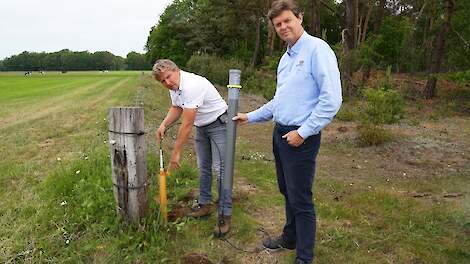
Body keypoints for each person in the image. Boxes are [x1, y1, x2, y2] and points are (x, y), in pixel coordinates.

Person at [233, 0, 342, 263]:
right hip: (280, 134)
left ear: (299, 18)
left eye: (287, 21)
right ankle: (290, 238)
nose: (283, 27)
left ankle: (304, 257)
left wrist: (303, 132)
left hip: (300, 139)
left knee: (301, 200)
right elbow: (279, 101)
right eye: (278, 24)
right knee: (286, 191)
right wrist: (251, 116)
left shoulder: (317, 49)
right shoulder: (285, 58)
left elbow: (332, 99)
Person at [153, 59, 232, 237]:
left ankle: (225, 214)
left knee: (220, 170)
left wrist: (175, 155)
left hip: (219, 124)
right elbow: (176, 107)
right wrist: (164, 124)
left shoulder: (192, 85)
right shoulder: (175, 88)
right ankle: (204, 204)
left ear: (177, 70)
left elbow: (186, 124)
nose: (167, 83)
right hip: (202, 126)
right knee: (203, 167)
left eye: (168, 77)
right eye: (162, 81)